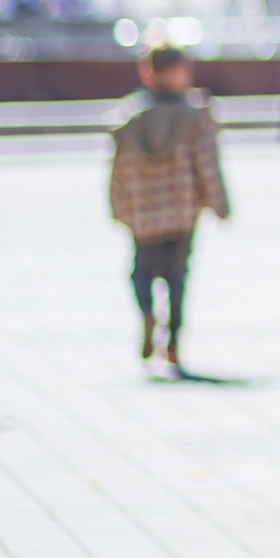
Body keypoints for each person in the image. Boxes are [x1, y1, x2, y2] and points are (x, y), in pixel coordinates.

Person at [107, 45, 231, 371]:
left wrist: (119, 207)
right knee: (177, 277)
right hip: (182, 210)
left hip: (143, 212)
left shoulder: (129, 117)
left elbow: (117, 170)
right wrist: (219, 203)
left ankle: (148, 313)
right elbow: (207, 164)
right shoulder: (194, 116)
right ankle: (173, 343)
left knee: (141, 271)